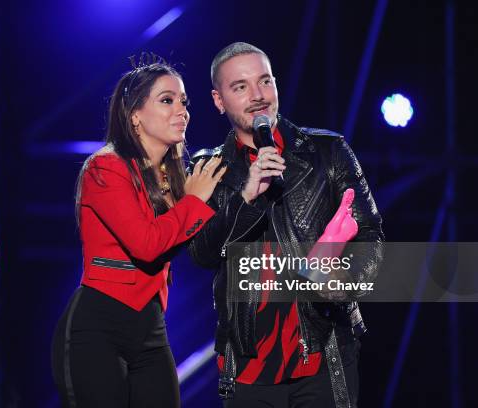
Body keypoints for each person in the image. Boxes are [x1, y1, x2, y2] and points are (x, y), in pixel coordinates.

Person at [187, 42, 384, 408]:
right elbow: (202, 253)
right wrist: (246, 197)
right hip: (249, 366)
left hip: (322, 354)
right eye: (241, 87)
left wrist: (337, 284)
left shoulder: (328, 151)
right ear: (218, 100)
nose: (259, 96)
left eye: (265, 81)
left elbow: (371, 237)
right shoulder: (207, 170)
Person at [51, 60, 227, 408]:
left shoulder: (175, 181)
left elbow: (204, 245)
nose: (182, 111)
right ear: (135, 115)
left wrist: (248, 192)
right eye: (167, 100)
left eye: (184, 102)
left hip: (150, 327)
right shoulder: (105, 168)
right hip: (97, 326)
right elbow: (147, 245)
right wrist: (193, 201)